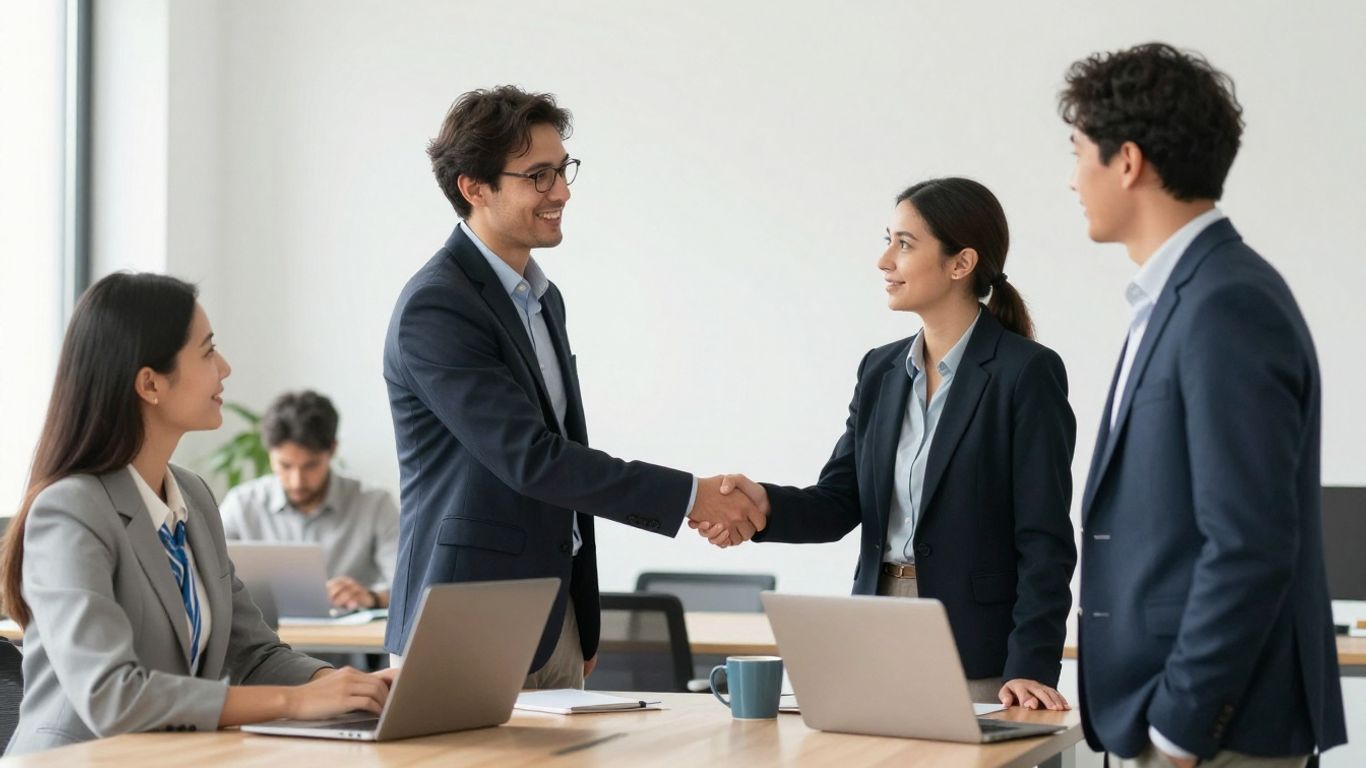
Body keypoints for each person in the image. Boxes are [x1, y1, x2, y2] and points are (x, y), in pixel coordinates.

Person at [383, 86, 764, 689]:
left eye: (563, 171)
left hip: (553, 619)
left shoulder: (541, 299)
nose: (561, 192)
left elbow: (563, 457)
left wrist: (581, 619)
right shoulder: (438, 307)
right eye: (538, 176)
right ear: (474, 188)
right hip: (465, 622)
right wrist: (692, 496)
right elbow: (532, 459)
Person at [1060, 43, 1346, 767]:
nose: (1072, 180)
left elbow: (1249, 542)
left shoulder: (1227, 303)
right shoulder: (1179, 297)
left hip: (1214, 732)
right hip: (1165, 718)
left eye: (1077, 153)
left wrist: (1178, 732)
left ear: (1127, 161)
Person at [701, 177, 1077, 709]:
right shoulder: (880, 370)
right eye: (888, 239)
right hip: (877, 630)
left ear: (960, 263)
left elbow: (1044, 539)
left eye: (904, 243)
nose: (884, 260)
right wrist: (763, 504)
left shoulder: (1025, 373)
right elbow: (838, 503)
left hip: (979, 650)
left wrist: (1032, 665)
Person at [0, 273, 395, 755]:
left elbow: (252, 653)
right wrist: (293, 701)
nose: (224, 368)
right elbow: (111, 696)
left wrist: (347, 686)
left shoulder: (194, 496)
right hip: (79, 759)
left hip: (171, 756)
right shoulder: (69, 510)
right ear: (150, 383)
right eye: (208, 352)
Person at [221, 390, 399, 611]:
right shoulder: (241, 505)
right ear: (269, 454)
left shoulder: (375, 504)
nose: (297, 481)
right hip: (263, 638)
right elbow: (209, 581)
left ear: (332, 450)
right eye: (285, 466)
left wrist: (371, 598)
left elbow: (407, 586)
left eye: (311, 465)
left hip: (349, 641)